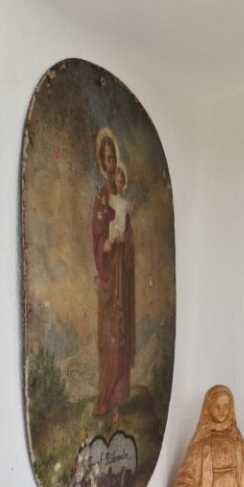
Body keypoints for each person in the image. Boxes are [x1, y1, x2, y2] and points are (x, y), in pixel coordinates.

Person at [91, 129, 136, 426]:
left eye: (112, 159)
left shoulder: (121, 196)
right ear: (101, 161)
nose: (110, 164)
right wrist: (105, 244)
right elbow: (95, 233)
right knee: (109, 332)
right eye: (105, 159)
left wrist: (124, 240)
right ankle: (107, 396)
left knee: (122, 331)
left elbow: (129, 233)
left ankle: (120, 399)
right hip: (109, 273)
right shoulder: (100, 197)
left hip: (123, 273)